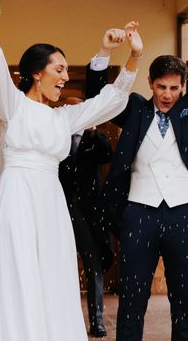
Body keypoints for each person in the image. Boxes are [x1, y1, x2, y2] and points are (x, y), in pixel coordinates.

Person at [0, 0, 143, 341]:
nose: (66, 77)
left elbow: (110, 101)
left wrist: (133, 56)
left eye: (67, 70)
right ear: (36, 73)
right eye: (59, 69)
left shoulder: (63, 118)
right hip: (16, 198)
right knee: (16, 277)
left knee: (52, 276)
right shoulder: (12, 105)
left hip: (50, 204)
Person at [86, 16, 188, 341]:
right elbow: (99, 98)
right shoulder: (133, 109)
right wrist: (104, 52)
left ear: (183, 86)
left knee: (185, 302)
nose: (167, 95)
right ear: (150, 82)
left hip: (184, 215)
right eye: (161, 87)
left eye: (174, 88)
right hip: (138, 214)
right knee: (132, 300)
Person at [59, 97, 114, 337]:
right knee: (60, 266)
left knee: (93, 266)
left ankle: (97, 320)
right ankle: (60, 319)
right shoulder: (57, 136)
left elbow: (107, 154)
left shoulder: (94, 139)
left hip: (89, 212)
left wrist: (91, 128)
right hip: (59, 207)